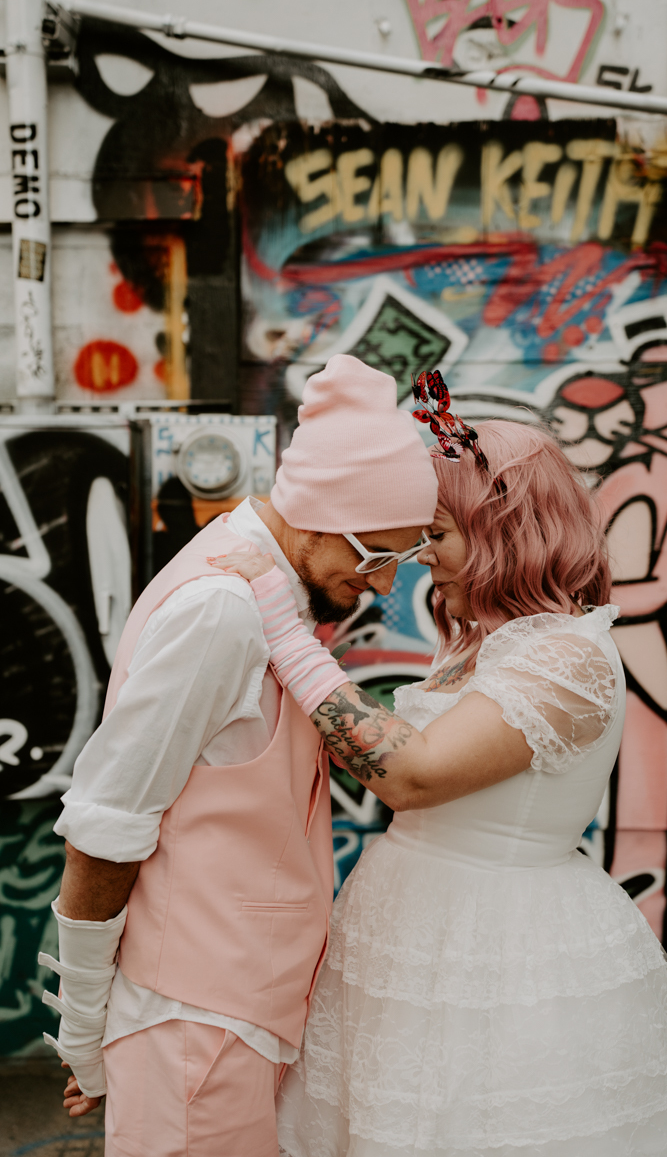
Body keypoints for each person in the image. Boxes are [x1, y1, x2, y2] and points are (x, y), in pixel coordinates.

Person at [215, 388, 667, 1157]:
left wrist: (284, 631)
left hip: (499, 949)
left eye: (438, 534)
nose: (421, 557)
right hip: (415, 927)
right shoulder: (488, 644)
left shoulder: (569, 657)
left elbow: (410, 776)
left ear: (505, 532)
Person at [38, 353, 438, 1157]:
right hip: (195, 1022)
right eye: (376, 556)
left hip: (227, 1016)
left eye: (400, 559)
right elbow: (106, 824)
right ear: (320, 517)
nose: (384, 585)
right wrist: (84, 1026)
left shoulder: (262, 590)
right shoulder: (222, 610)